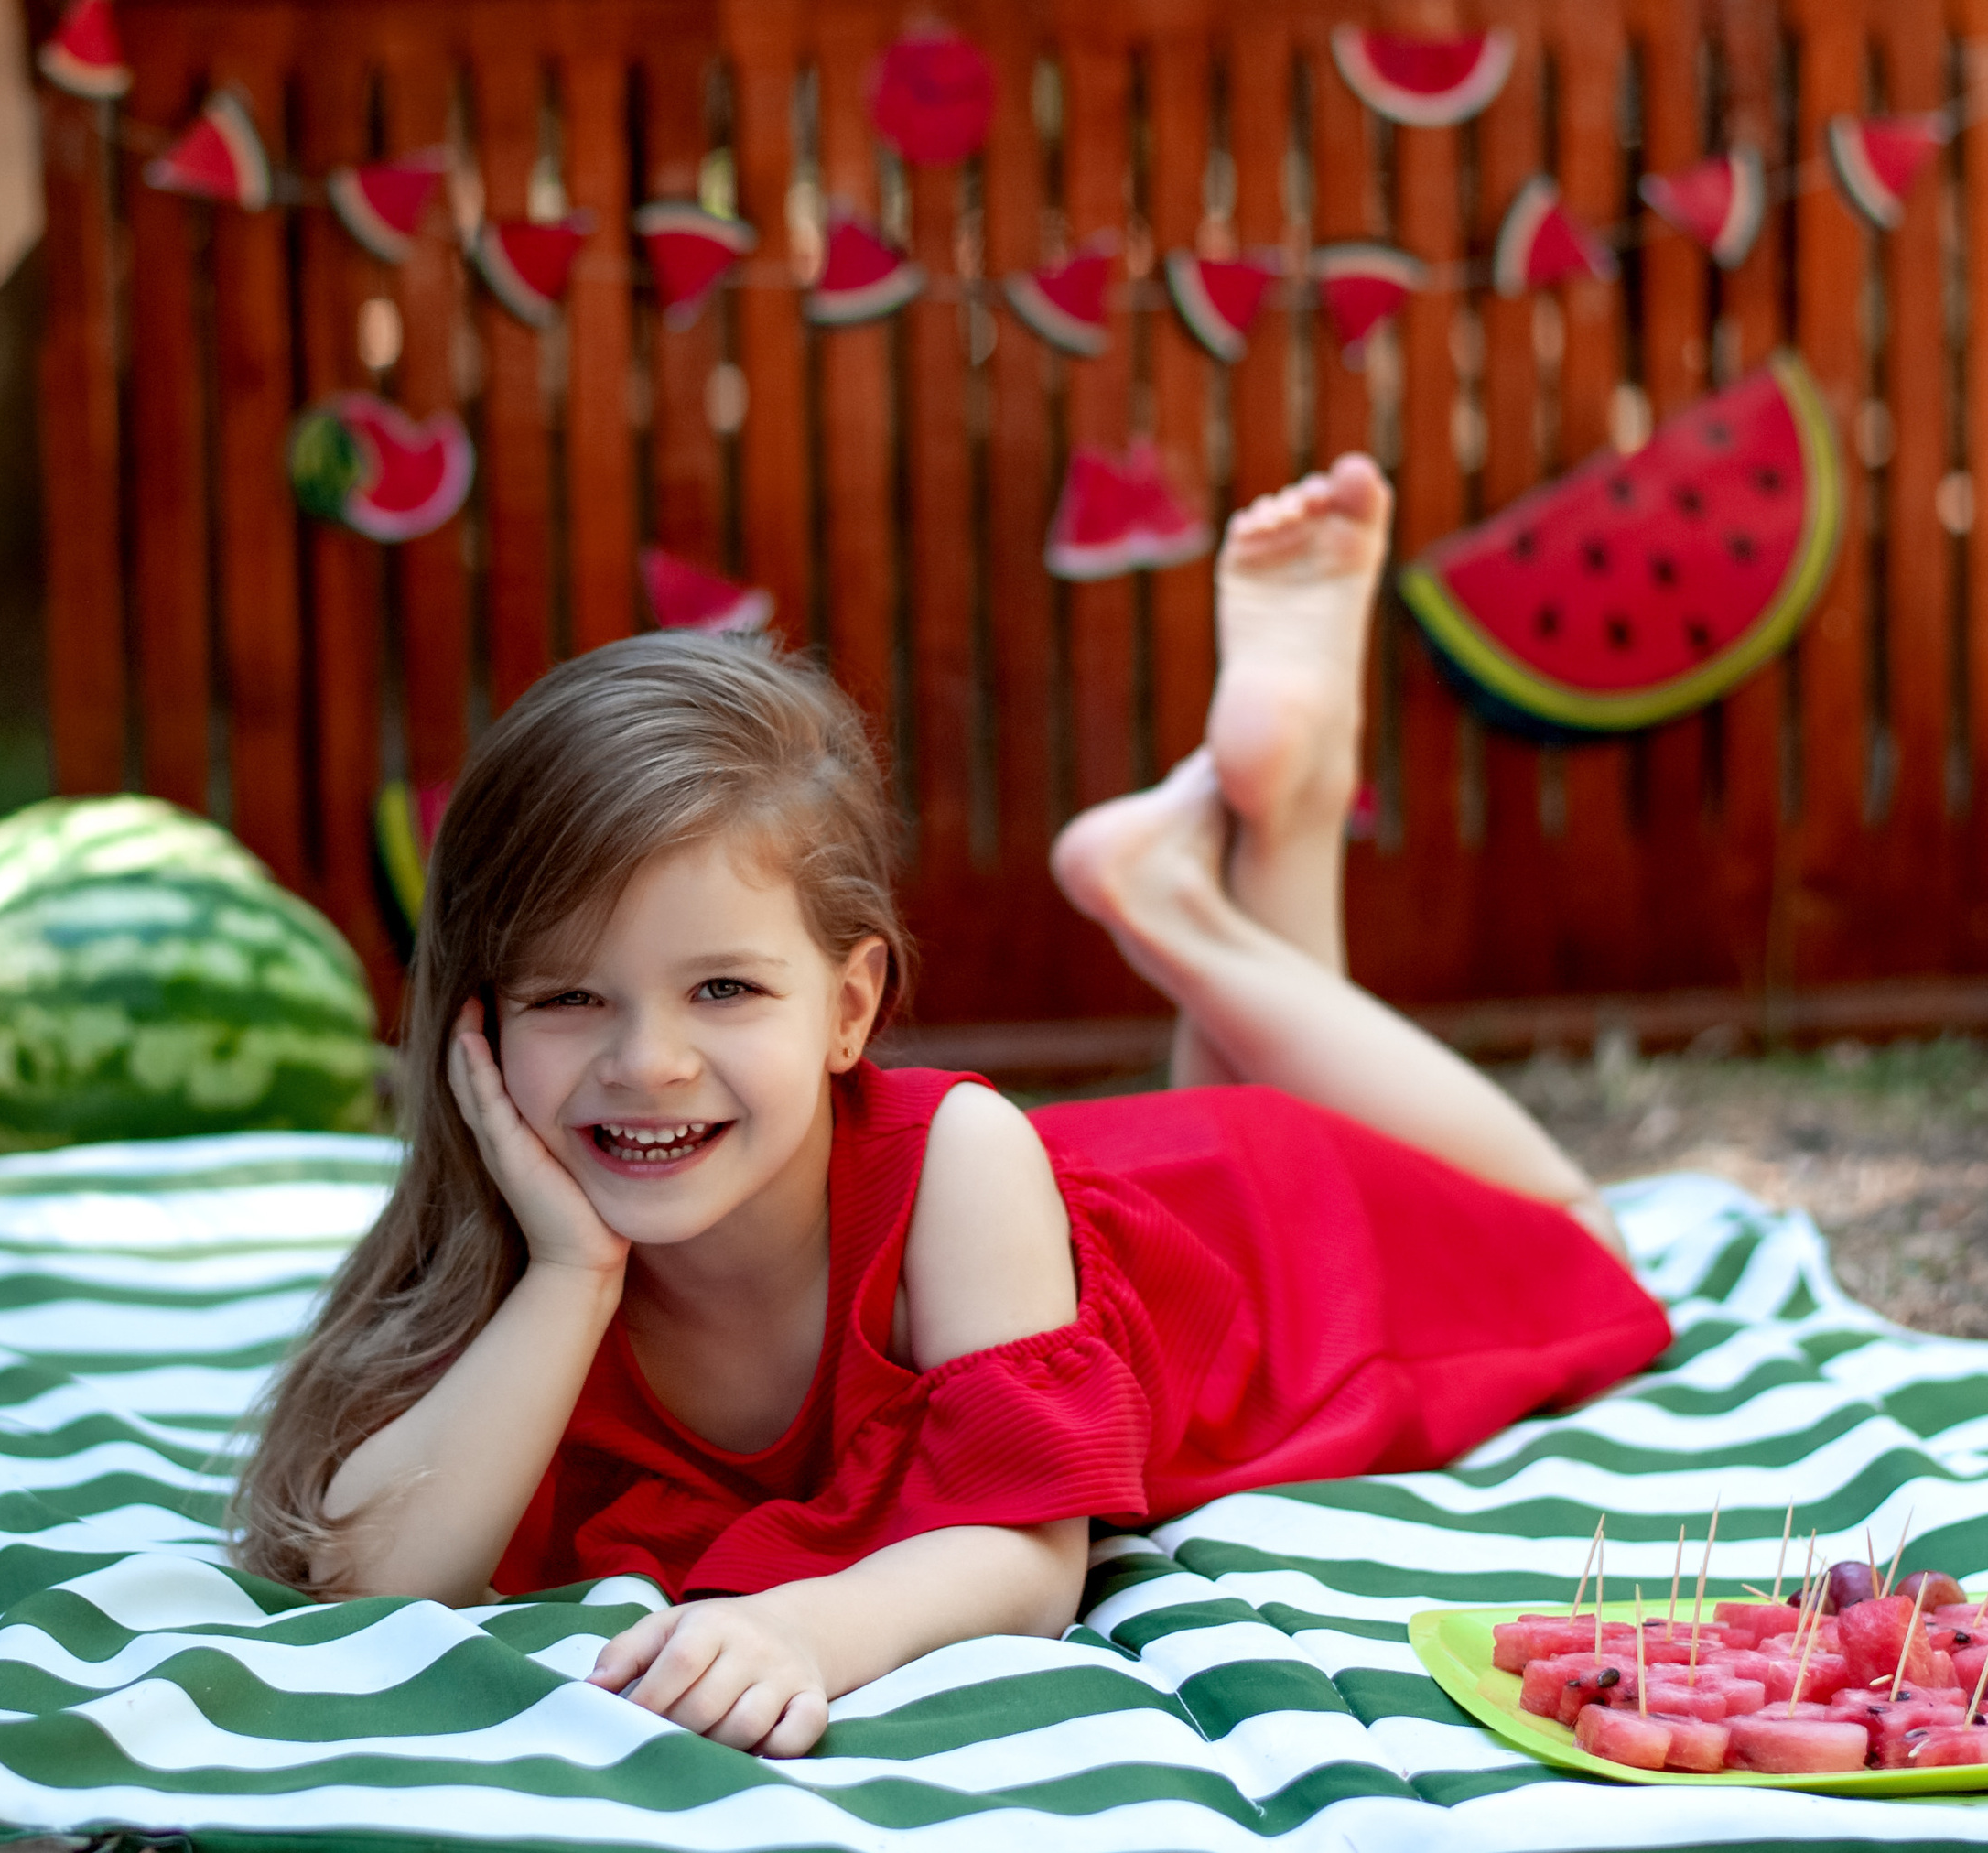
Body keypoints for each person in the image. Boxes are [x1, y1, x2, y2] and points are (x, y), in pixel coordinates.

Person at [235, 454, 1668, 1760]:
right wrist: (567, 1269)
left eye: (724, 992)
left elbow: (1031, 1552)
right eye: (569, 1000)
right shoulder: (528, 1239)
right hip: (1110, 1237)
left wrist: (807, 1628)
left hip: (1266, 1239)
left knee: (1577, 1234)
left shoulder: (958, 1151)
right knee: (1227, 1081)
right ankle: (1266, 816)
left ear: (851, 1006)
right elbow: (375, 1570)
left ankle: (1180, 903)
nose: (647, 1064)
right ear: (475, 1023)